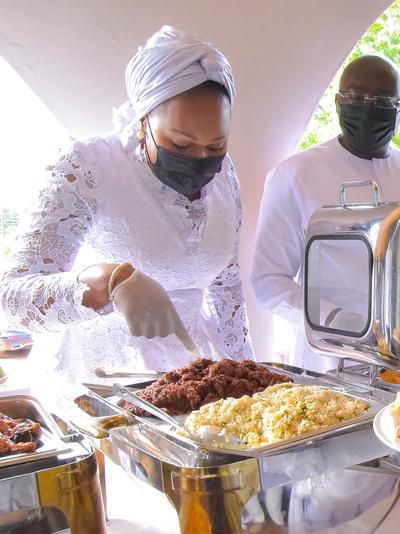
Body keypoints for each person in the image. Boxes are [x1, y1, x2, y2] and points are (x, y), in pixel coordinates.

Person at [0, 26, 250, 381]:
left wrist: (246, 373)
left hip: (193, 373)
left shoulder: (225, 177)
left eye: (215, 146)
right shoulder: (89, 167)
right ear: (144, 120)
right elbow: (12, 299)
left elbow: (227, 285)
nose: (200, 159)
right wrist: (108, 281)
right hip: (104, 382)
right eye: (180, 145)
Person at [251, 55, 400, 373]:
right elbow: (269, 281)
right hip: (336, 363)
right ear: (338, 103)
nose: (367, 107)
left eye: (382, 101)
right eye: (355, 98)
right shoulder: (296, 175)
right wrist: (333, 319)